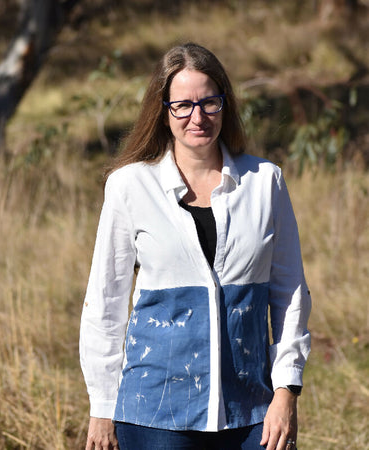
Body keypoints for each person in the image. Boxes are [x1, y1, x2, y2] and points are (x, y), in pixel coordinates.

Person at [79, 42, 311, 450]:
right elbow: (105, 299)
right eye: (182, 105)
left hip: (252, 409)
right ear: (163, 110)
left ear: (225, 104)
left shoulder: (265, 182)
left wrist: (285, 390)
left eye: (209, 103)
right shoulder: (130, 185)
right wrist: (101, 406)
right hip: (154, 411)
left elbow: (289, 291)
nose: (197, 117)